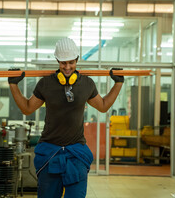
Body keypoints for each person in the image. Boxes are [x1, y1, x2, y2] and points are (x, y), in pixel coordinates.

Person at [8, 37, 124, 198]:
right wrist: (13, 85)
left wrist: (118, 84)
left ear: (77, 60)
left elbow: (103, 106)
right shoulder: (45, 83)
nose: (67, 67)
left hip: (76, 153)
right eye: (63, 63)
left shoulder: (86, 84)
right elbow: (27, 108)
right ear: (57, 61)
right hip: (49, 151)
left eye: (71, 62)